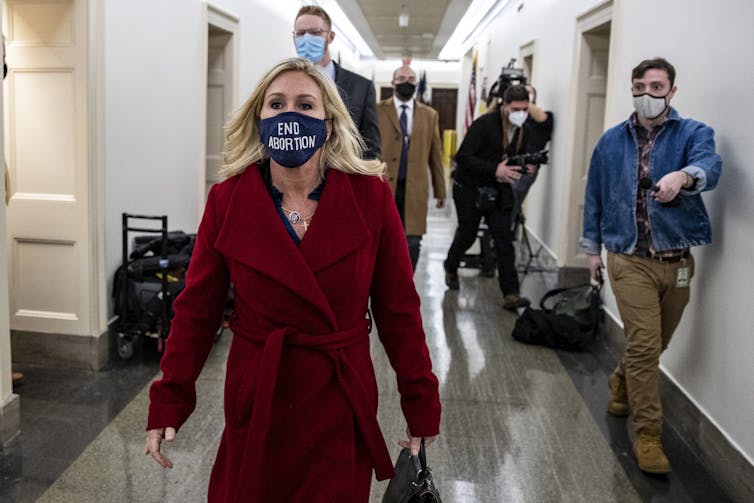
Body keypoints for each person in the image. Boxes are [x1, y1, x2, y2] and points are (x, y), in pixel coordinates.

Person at [144, 58, 441, 502]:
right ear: (258, 119)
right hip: (260, 391)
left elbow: (399, 308)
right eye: (276, 104)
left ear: (330, 121)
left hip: (339, 397)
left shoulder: (370, 198)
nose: (290, 116)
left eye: (306, 105)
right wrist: (170, 396)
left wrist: (419, 402)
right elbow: (197, 308)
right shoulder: (228, 199)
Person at [581, 57, 721, 474]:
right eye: (639, 86)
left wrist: (684, 176)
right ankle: (647, 435)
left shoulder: (693, 133)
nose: (647, 94)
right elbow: (595, 197)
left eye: (656, 87)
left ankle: (622, 379)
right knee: (645, 346)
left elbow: (711, 167)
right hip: (628, 257)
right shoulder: (610, 142)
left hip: (677, 259)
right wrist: (592, 250)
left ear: (672, 91)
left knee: (655, 344)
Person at [444, 84, 536, 310]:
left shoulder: (524, 129)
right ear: (504, 106)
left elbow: (513, 158)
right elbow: (463, 157)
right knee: (468, 233)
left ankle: (511, 293)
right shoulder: (484, 125)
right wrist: (495, 169)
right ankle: (451, 265)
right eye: (516, 109)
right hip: (469, 187)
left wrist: (525, 166)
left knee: (504, 240)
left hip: (500, 190)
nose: (521, 114)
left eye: (525, 109)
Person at [376, 64, 446, 271]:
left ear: (417, 84)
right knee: (383, 237)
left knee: (413, 241)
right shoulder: (377, 110)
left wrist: (440, 189)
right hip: (383, 185)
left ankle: (406, 281)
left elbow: (435, 154)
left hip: (415, 188)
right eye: (401, 78)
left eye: (411, 79)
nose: (406, 82)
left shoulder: (430, 114)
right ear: (393, 83)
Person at [293, 5, 380, 159]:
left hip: (345, 176)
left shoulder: (362, 87)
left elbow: (370, 148)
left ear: (330, 36)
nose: (307, 38)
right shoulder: (284, 84)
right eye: (300, 33)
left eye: (315, 32)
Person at [510, 84, 553, 226]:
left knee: (513, 200)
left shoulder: (542, 118)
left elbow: (544, 119)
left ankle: (506, 232)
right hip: (510, 165)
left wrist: (524, 101)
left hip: (527, 169)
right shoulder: (514, 118)